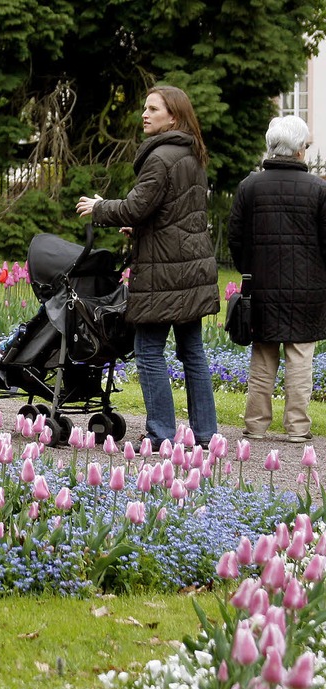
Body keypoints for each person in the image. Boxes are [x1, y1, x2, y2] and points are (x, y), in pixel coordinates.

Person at [76, 85, 220, 450]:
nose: (144, 113)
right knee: (193, 352)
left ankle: (160, 434)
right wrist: (141, 227)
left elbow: (138, 206)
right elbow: (171, 213)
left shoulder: (161, 157)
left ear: (173, 116)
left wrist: (101, 206)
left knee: (149, 350)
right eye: (144, 107)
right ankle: (206, 435)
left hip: (164, 274)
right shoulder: (192, 154)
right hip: (191, 269)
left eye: (152, 108)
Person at [228, 115, 326, 443]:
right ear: (299, 150)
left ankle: (255, 426)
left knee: (263, 356)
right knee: (300, 359)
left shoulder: (249, 186)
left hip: (261, 287)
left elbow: (236, 238)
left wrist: (249, 269)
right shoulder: (319, 189)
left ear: (271, 146)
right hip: (308, 289)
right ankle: (298, 429)